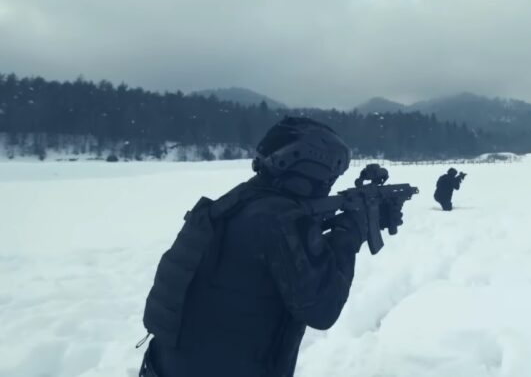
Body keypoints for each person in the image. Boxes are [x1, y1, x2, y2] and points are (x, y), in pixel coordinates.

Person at [138, 117, 403, 377]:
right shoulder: (279, 218)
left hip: (166, 366)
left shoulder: (239, 201)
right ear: (313, 169)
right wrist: (349, 233)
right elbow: (323, 308)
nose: (329, 185)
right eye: (330, 176)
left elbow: (270, 256)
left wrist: (356, 220)